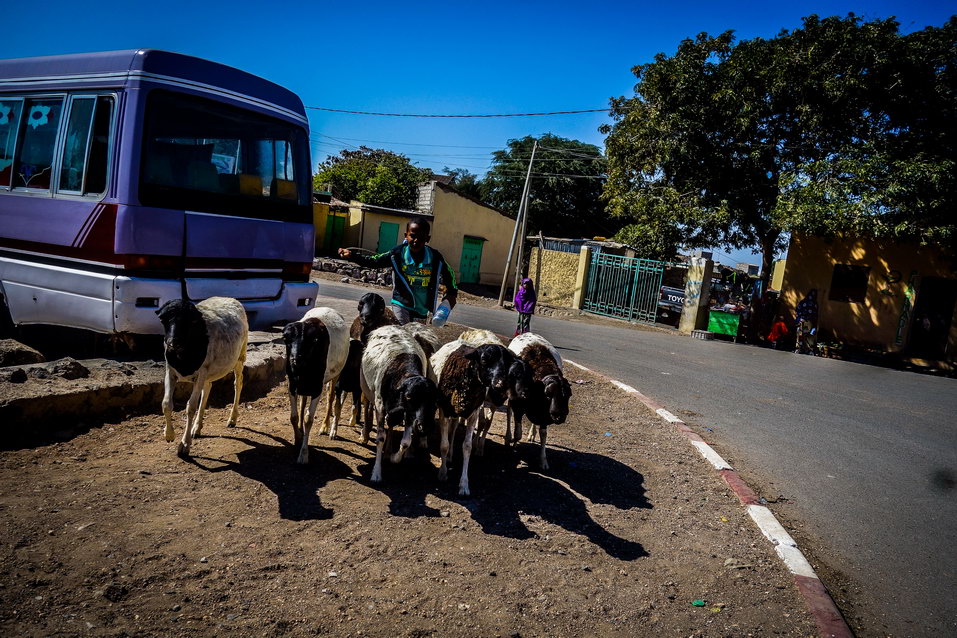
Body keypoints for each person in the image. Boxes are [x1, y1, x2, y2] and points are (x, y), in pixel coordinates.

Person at [337, 217, 457, 325]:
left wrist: (451, 294)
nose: (416, 240)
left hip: (422, 309)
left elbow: (449, 274)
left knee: (417, 339)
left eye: (421, 237)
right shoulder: (397, 254)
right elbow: (374, 261)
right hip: (401, 304)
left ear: (428, 238)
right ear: (406, 235)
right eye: (413, 236)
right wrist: (352, 255)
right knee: (402, 335)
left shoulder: (435, 258)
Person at [794, 289, 819, 354]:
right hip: (805, 321)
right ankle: (802, 348)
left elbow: (815, 314)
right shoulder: (811, 303)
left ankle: (803, 348)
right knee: (804, 335)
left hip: (807, 322)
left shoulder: (808, 302)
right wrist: (799, 319)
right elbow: (798, 310)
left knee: (805, 335)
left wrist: (799, 319)